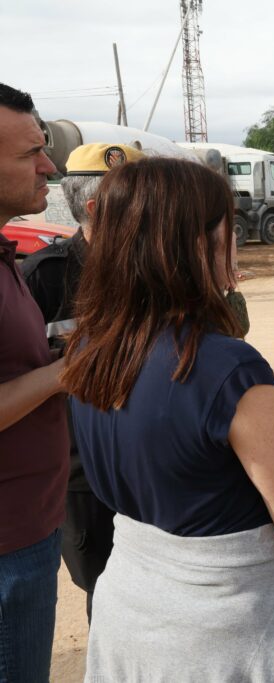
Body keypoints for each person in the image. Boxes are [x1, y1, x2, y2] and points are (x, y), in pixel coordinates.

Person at [63, 157, 274, 681]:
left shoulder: (90, 346)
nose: (237, 242)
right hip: (223, 625)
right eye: (228, 229)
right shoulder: (225, 365)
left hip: (129, 600)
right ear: (193, 243)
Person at [20, 142, 146, 623]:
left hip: (150, 459)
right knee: (106, 590)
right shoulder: (44, 277)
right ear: (97, 208)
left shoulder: (153, 271)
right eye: (138, 196)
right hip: (81, 473)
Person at [0, 81, 68, 683]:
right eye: (29, 154)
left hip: (28, 530)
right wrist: (64, 371)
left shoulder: (5, 254)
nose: (49, 166)